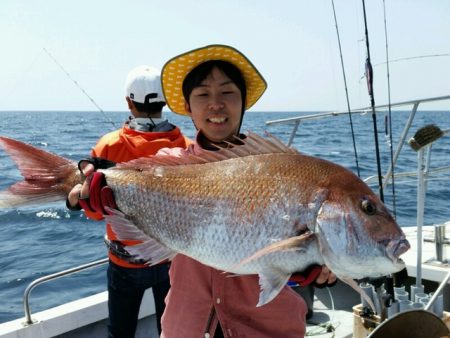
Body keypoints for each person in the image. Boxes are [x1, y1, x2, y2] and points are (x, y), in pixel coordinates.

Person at [70, 45, 336, 338]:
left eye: (227, 93)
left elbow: (303, 260)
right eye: (203, 95)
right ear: (187, 105)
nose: (216, 104)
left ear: (244, 100)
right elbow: (128, 183)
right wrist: (95, 195)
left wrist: (310, 269)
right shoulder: (171, 163)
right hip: (187, 326)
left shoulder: (289, 169)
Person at [67, 65, 191, 338]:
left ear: (128, 102)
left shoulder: (107, 146)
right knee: (169, 329)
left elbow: (96, 213)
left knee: (120, 332)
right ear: (165, 101)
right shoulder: (186, 146)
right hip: (171, 258)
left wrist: (75, 199)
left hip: (124, 262)